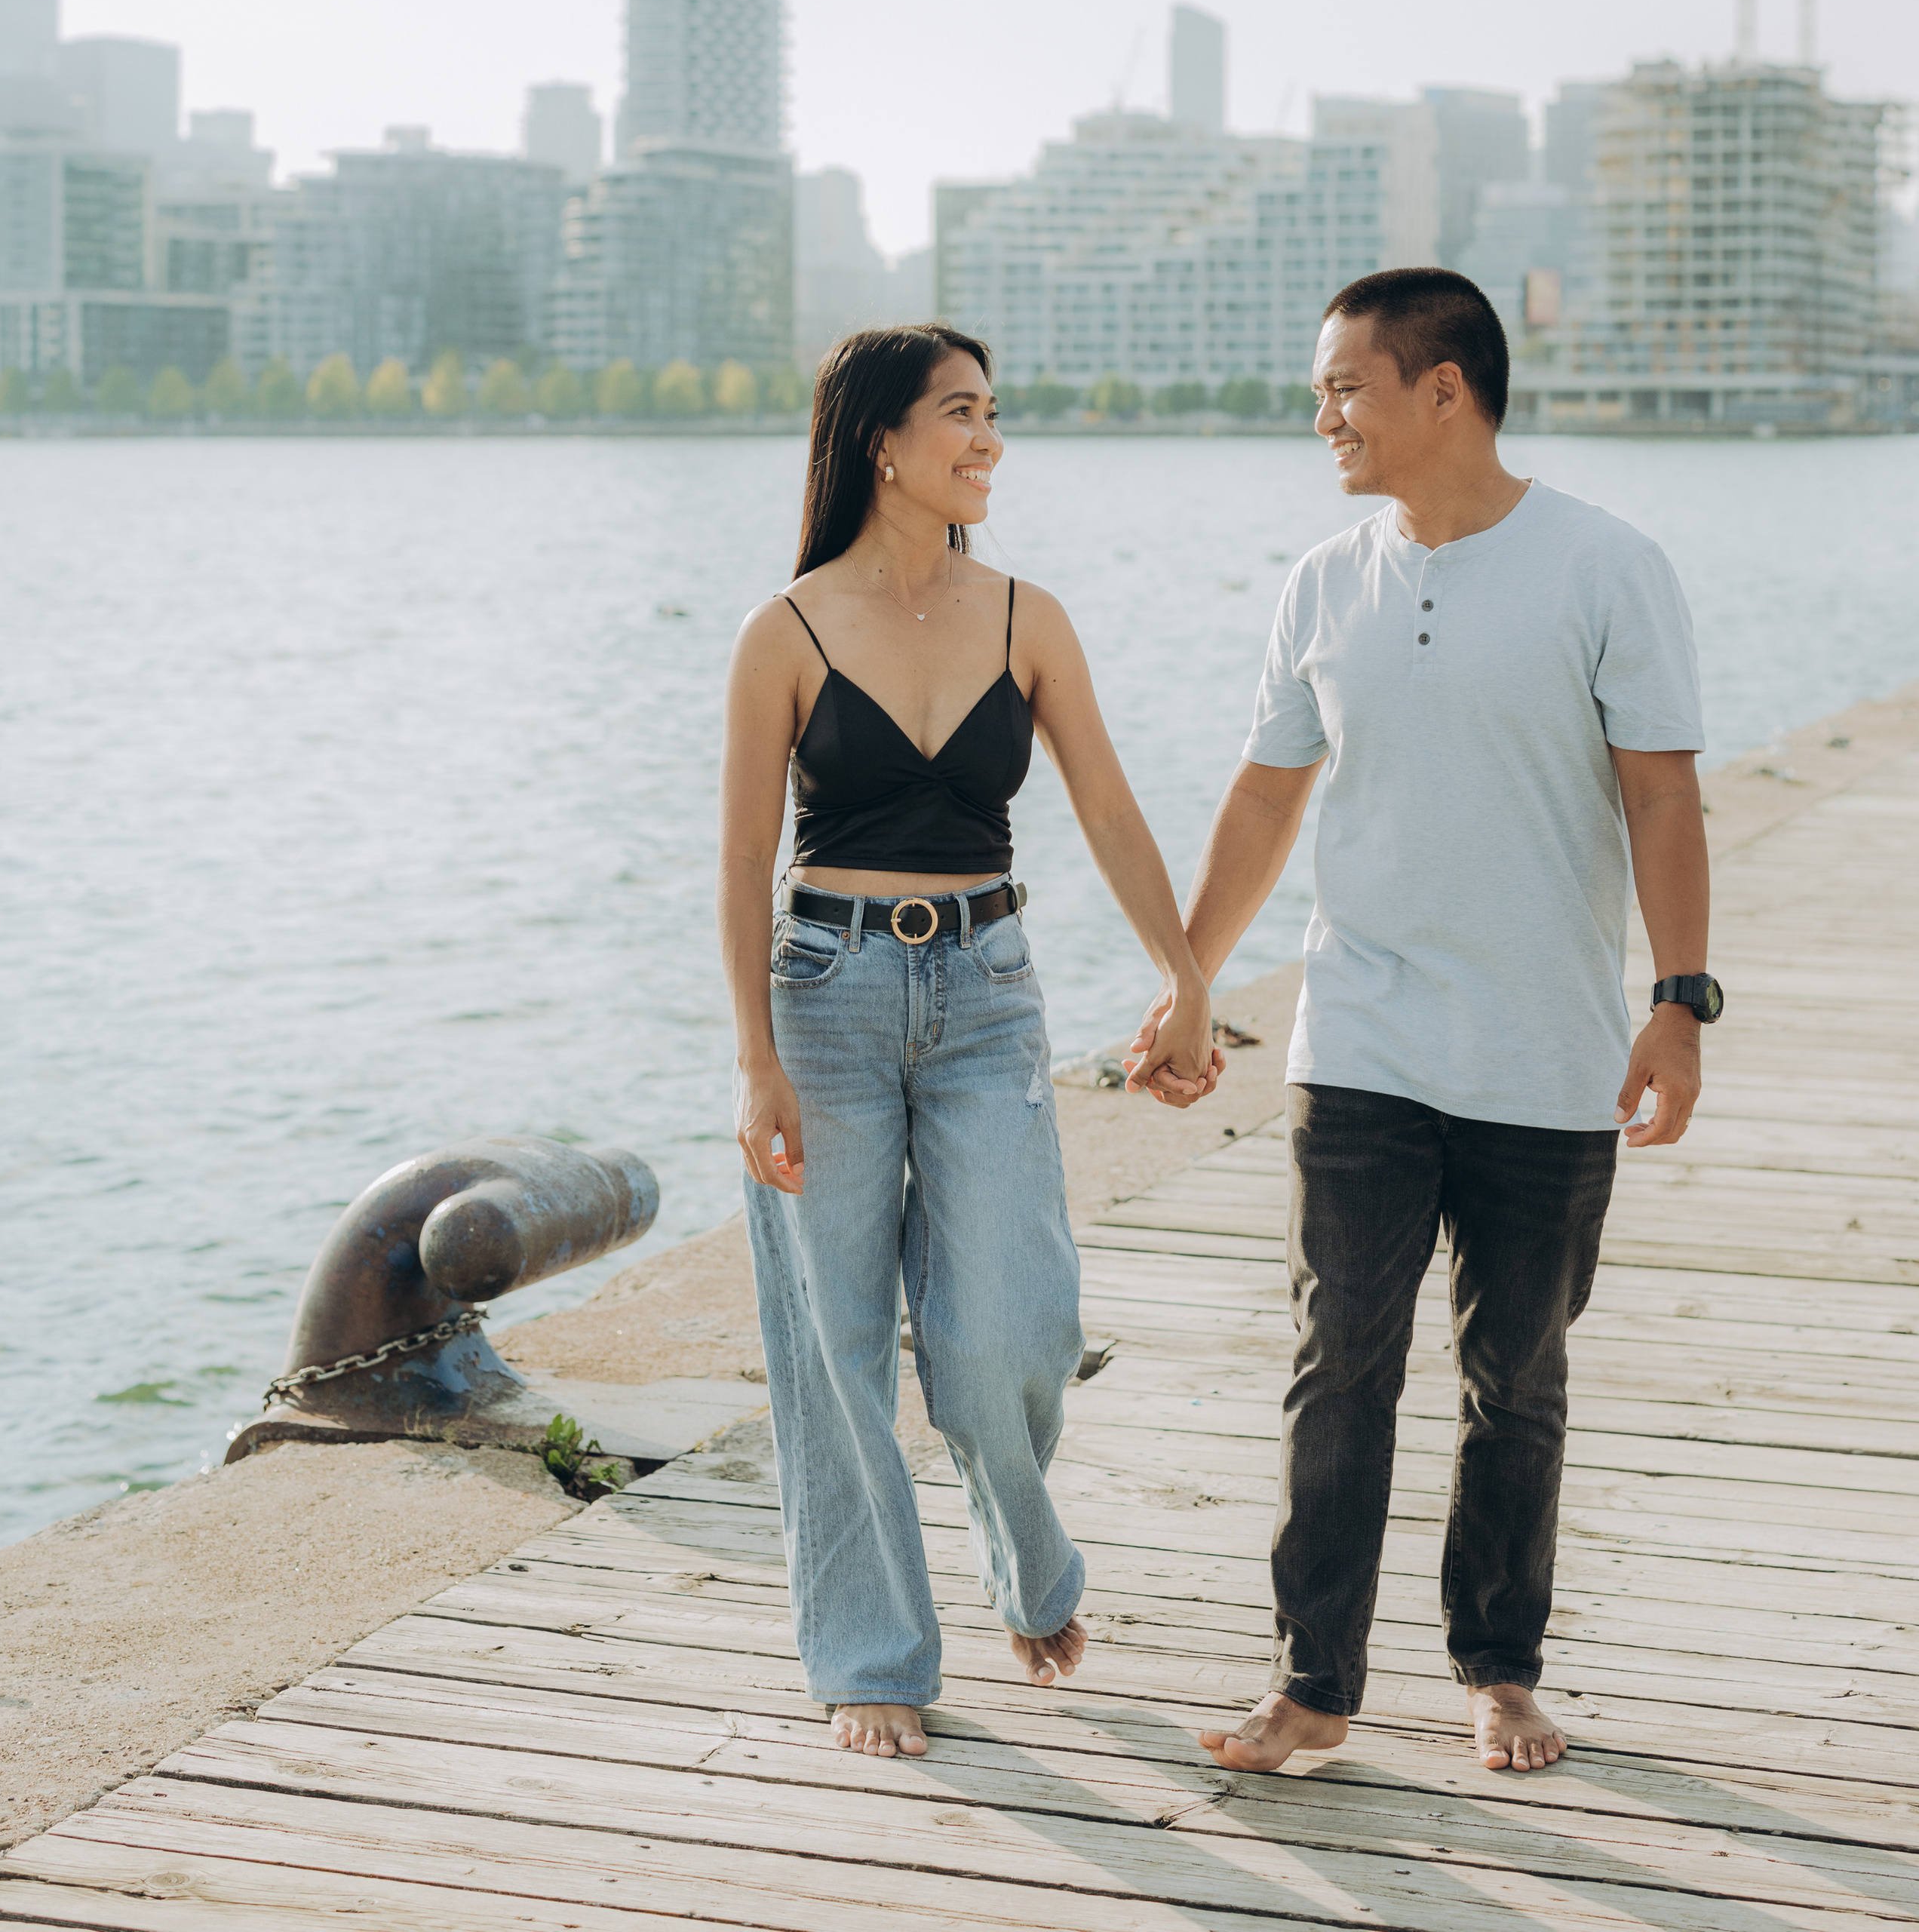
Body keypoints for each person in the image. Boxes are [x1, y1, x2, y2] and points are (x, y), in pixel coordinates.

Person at [1125, 266, 1716, 1776]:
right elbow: (1267, 794)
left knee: (1511, 1377)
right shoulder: (1323, 580)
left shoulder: (1604, 563)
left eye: (1342, 386)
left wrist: (1676, 1003)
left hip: (1542, 1045)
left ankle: (1496, 1668)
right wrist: (1190, 980)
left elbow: (1658, 792)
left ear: (1439, 386)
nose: (1317, 413)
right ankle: (1310, 1684)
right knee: (1339, 1362)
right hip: (1362, 1041)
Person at [720, 323, 1218, 1765]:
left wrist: (1182, 976)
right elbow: (742, 858)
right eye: (963, 414)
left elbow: (1112, 813)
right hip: (826, 992)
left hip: (989, 988)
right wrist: (753, 1058)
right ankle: (873, 1648)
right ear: (884, 439)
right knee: (838, 1344)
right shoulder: (787, 630)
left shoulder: (1028, 617)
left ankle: (1020, 1537)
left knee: (1013, 1320)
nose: (991, 439)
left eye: (995, 413)